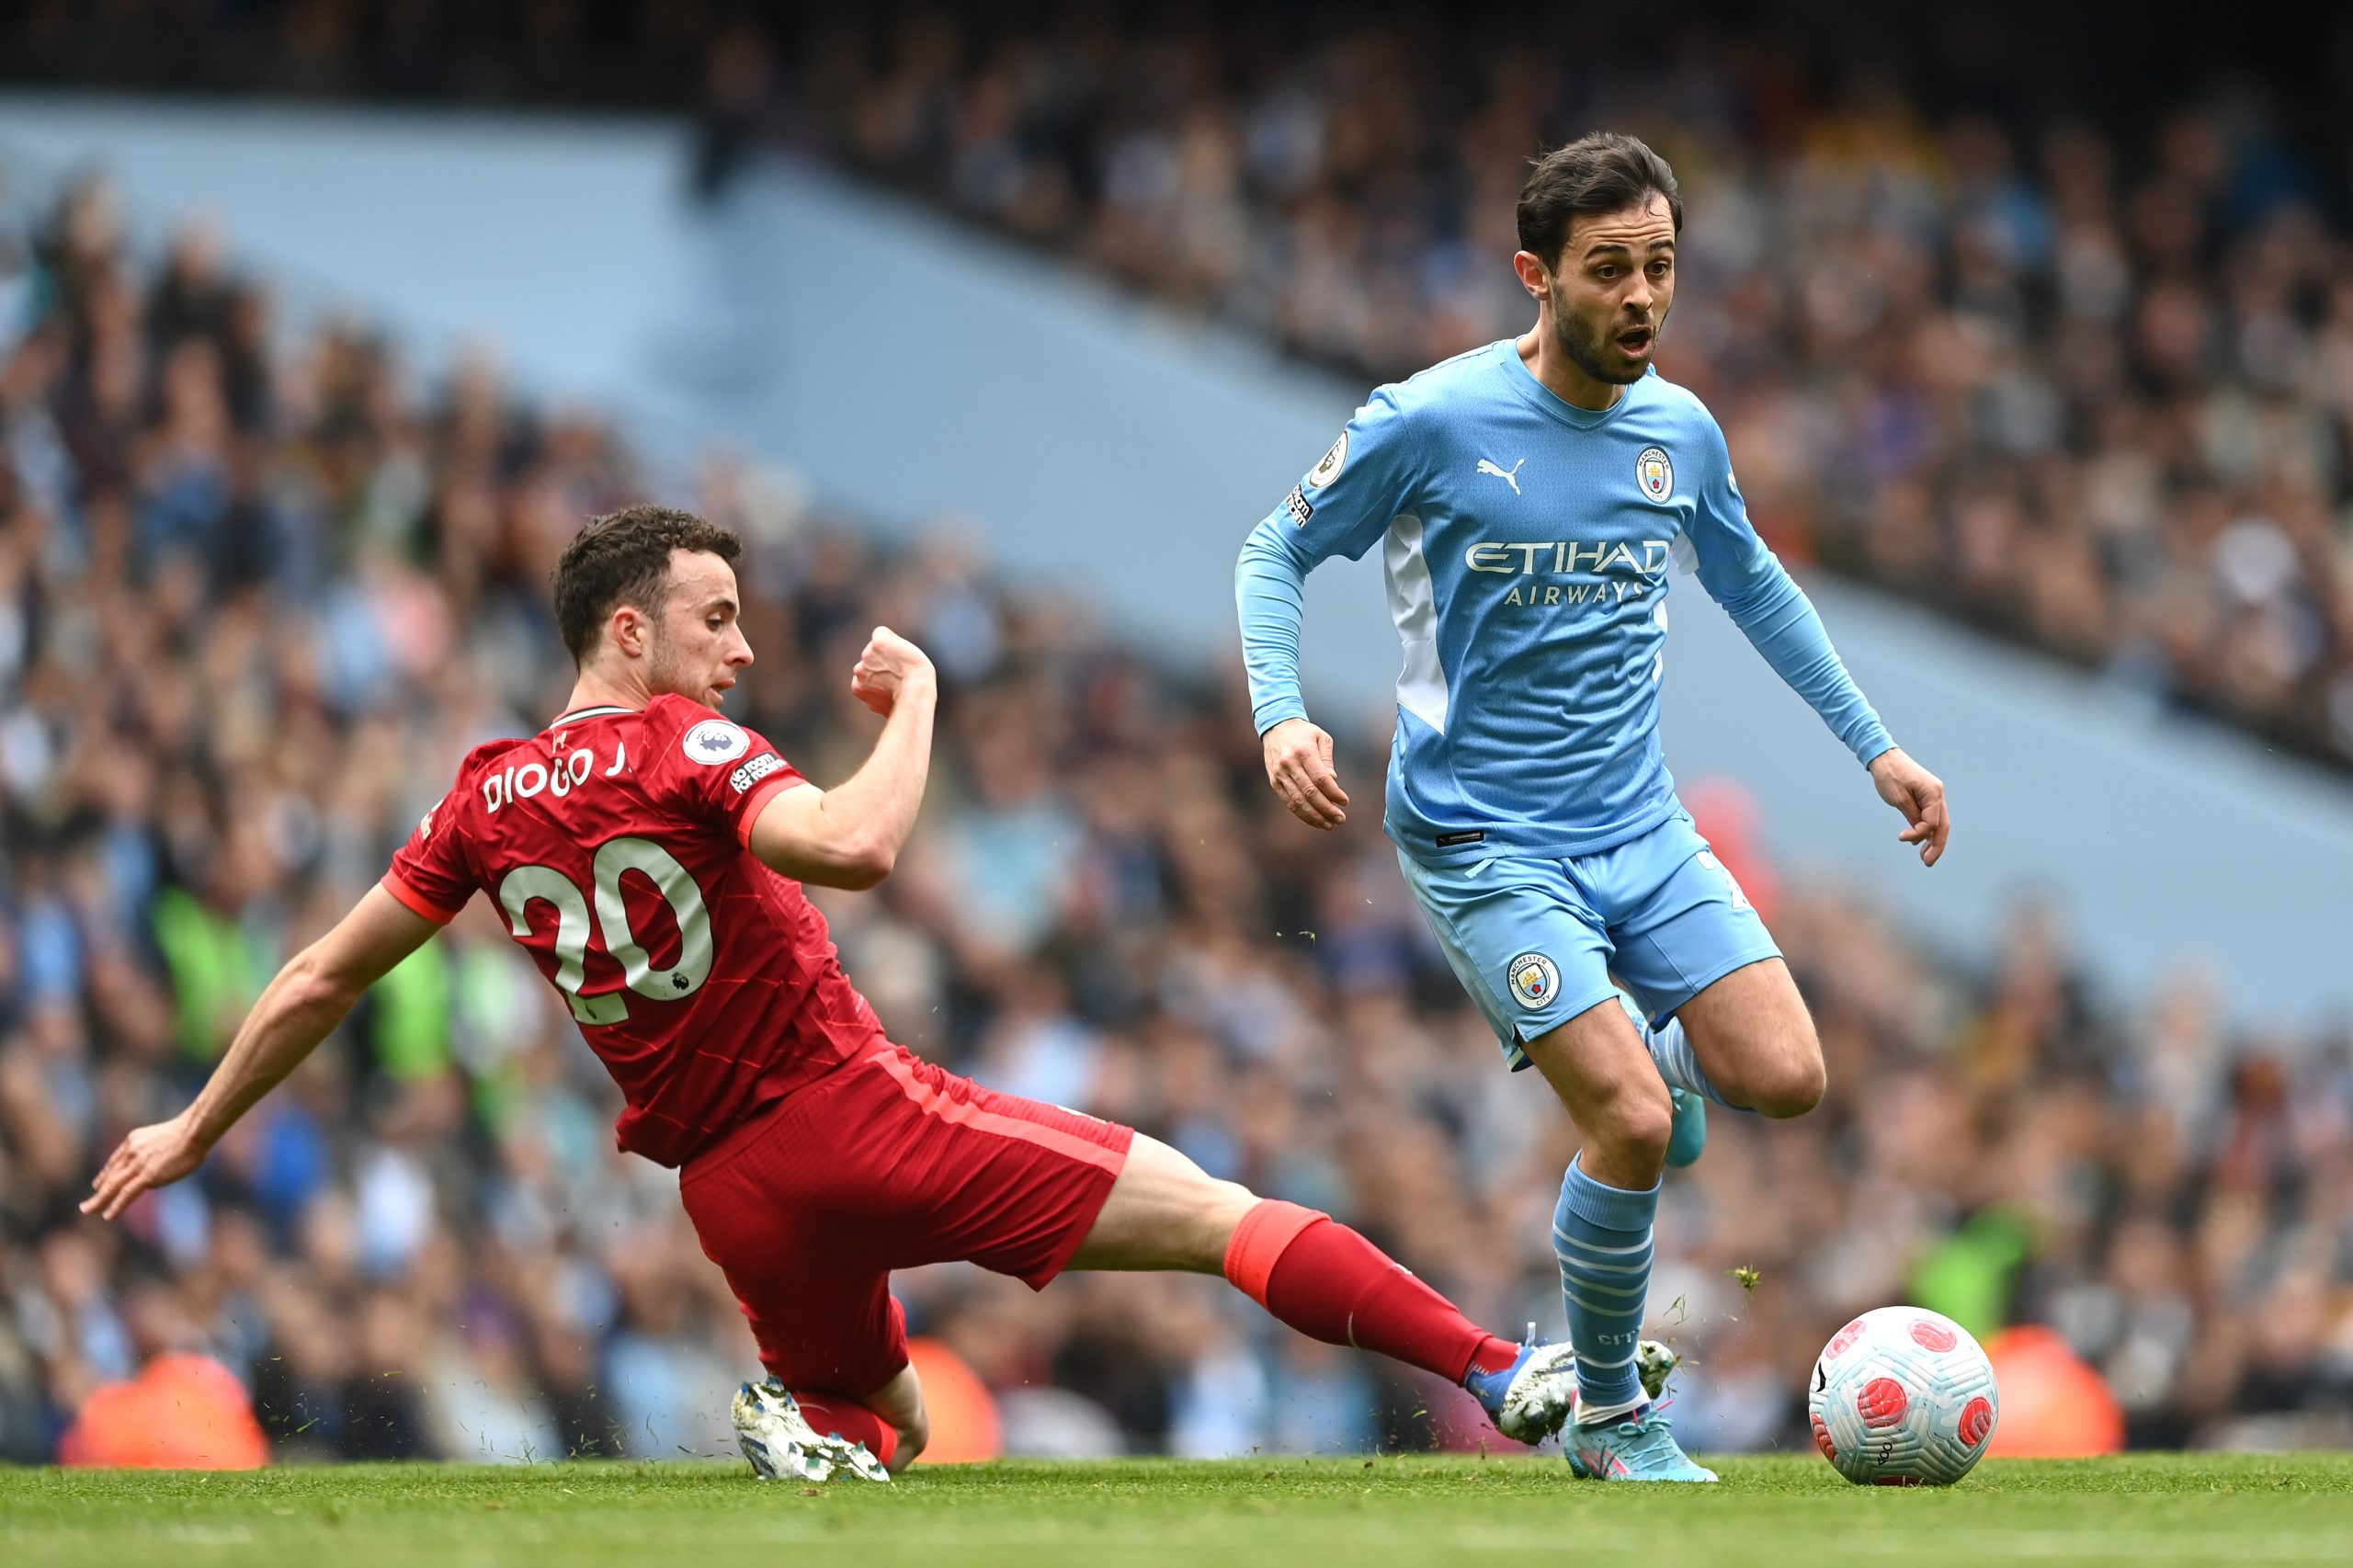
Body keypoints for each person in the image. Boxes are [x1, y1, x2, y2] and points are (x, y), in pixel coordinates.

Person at [85, 505, 1669, 1482]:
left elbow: (314, 973)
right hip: (851, 1114)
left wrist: (194, 1122)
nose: (740, 646)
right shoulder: (681, 746)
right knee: (1212, 1209)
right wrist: (918, 701)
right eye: (714, 617)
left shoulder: (482, 798)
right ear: (625, 629)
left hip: (729, 1190)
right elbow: (853, 845)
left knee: (895, 1420)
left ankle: (807, 1419)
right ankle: (1500, 1370)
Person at [1234, 133, 1952, 1483]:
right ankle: (1614, 1415)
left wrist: (1880, 750)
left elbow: (1757, 588)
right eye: (1610, 269)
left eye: (1662, 267)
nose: (1642, 296)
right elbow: (1277, 548)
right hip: (1482, 837)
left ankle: (1658, 1057)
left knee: (1787, 1078)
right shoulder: (1430, 420)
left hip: (1641, 824)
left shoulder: (1679, 430)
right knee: (1624, 1123)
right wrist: (1282, 712)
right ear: (1535, 275)